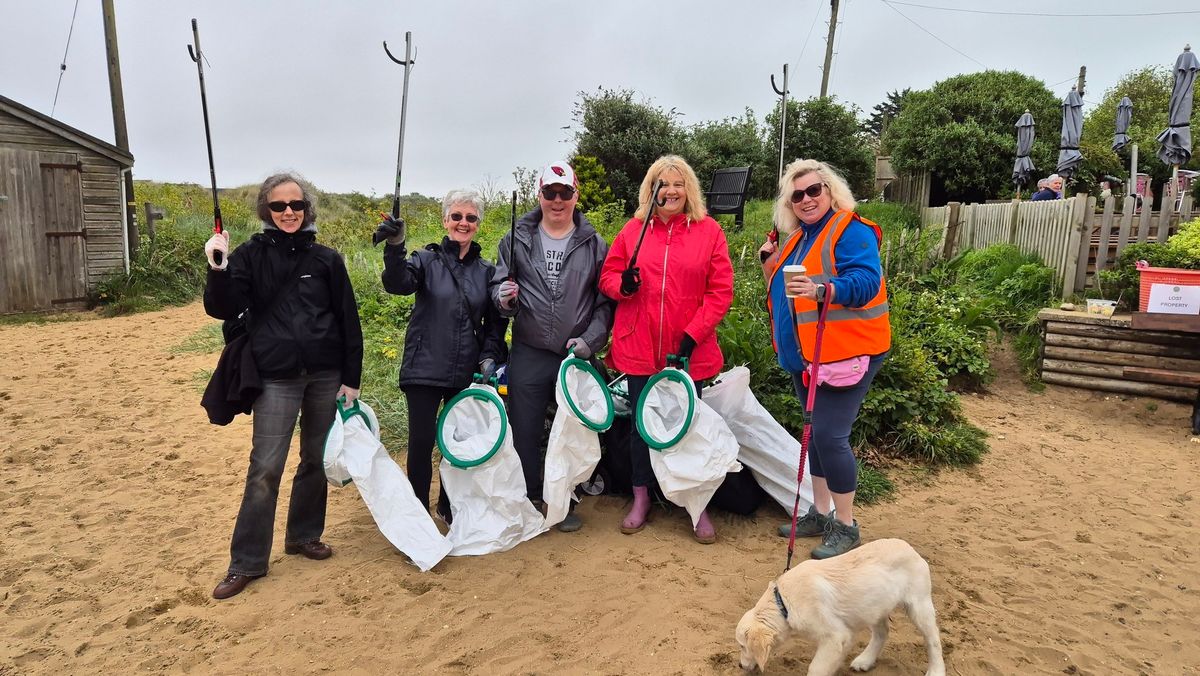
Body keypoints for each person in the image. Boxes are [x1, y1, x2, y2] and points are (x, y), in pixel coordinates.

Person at [202, 173, 363, 599]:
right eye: (279, 206)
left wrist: (352, 379)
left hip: (326, 376)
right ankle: (247, 561)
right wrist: (217, 266)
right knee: (265, 467)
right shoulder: (250, 255)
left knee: (315, 459)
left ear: (306, 208)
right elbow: (222, 307)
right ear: (266, 211)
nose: (289, 212)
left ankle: (303, 535)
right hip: (276, 377)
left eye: (296, 205)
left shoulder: (327, 259)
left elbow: (349, 321)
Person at [758, 159, 890, 560]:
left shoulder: (851, 229)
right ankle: (819, 512)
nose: (806, 199)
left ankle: (846, 526)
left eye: (814, 190)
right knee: (814, 435)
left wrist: (822, 288)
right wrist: (770, 263)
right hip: (807, 357)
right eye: (797, 195)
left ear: (830, 191)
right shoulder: (800, 238)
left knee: (831, 437)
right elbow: (784, 294)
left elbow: (867, 282)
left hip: (844, 353)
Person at [599, 155, 734, 544]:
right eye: (662, 183)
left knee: (688, 426)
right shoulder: (633, 230)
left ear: (688, 189)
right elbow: (609, 276)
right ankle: (640, 498)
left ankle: (696, 503)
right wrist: (622, 285)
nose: (670, 190)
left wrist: (692, 335)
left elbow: (720, 291)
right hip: (639, 345)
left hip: (687, 350)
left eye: (677, 184)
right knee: (643, 429)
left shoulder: (709, 232)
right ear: (651, 190)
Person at [491, 161, 612, 533]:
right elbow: (498, 291)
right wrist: (504, 298)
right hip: (528, 349)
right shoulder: (514, 238)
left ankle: (564, 500)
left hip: (573, 357)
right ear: (539, 196)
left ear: (576, 195)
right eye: (550, 193)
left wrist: (589, 342)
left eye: (565, 193)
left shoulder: (595, 244)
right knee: (525, 428)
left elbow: (605, 304)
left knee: (571, 431)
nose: (557, 200)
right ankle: (528, 498)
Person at [377, 189, 509, 525]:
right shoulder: (424, 260)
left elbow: (496, 323)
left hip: (466, 372)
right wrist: (395, 248)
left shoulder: (486, 270)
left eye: (470, 218)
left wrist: (489, 356)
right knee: (421, 443)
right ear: (445, 220)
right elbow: (398, 284)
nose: (463, 223)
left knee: (456, 444)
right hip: (424, 368)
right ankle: (418, 512)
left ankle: (449, 507)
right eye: (457, 216)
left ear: (478, 224)